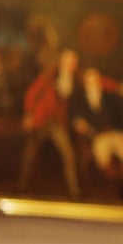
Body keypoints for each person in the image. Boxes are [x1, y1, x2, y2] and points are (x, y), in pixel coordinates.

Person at [19, 46, 80, 197]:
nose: (71, 65)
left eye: (73, 62)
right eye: (68, 61)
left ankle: (74, 191)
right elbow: (31, 93)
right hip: (41, 120)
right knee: (30, 154)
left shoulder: (75, 80)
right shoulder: (49, 74)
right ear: (62, 62)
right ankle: (21, 186)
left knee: (69, 154)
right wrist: (29, 114)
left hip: (57, 123)